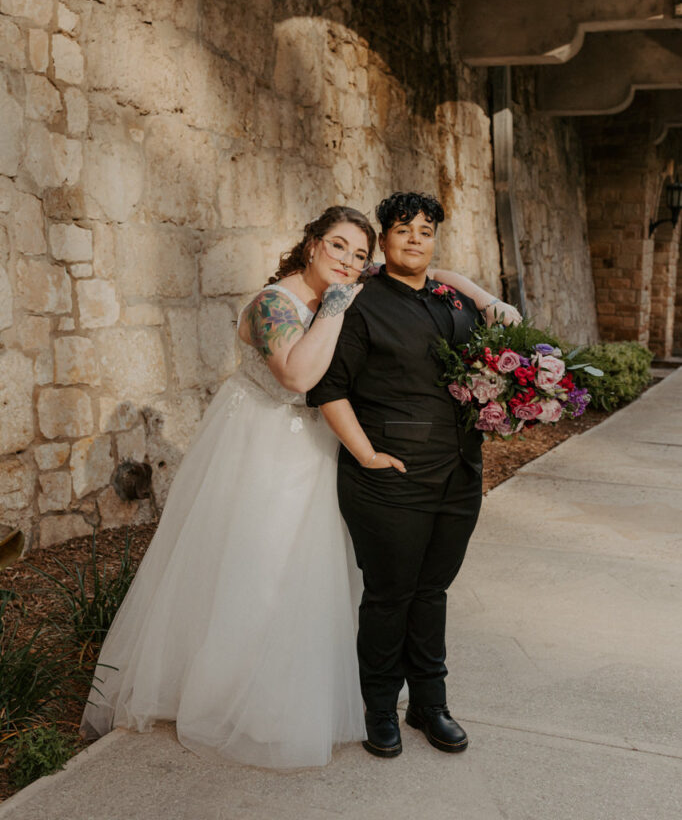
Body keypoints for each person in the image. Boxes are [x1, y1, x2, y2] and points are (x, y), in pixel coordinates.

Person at [81, 202, 518, 769]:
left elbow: (440, 276)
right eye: (338, 246)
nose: (348, 260)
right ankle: (237, 695)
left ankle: (358, 695)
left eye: (359, 254)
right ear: (312, 243)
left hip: (321, 449)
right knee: (258, 572)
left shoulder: (349, 283)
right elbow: (299, 376)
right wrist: (338, 306)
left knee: (321, 580)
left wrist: (486, 300)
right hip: (265, 445)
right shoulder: (274, 303)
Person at [308, 192, 496, 760]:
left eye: (425, 230)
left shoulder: (454, 301)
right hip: (389, 475)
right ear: (384, 240)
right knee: (390, 595)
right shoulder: (357, 303)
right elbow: (328, 387)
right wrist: (365, 455)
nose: (415, 238)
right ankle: (379, 707)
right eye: (403, 229)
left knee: (432, 591)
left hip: (459, 473)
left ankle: (430, 705)